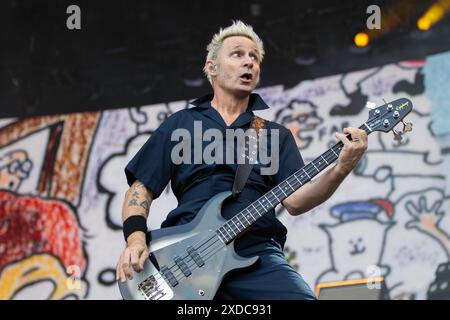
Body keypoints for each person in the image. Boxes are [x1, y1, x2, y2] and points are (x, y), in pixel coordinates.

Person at [115, 20, 368, 299]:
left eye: (254, 57)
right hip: (184, 260)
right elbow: (140, 192)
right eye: (237, 54)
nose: (249, 62)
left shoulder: (274, 135)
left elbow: (296, 201)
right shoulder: (180, 125)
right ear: (211, 67)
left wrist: (343, 167)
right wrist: (136, 240)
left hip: (256, 255)